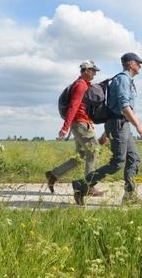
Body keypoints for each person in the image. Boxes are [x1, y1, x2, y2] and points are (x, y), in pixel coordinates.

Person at [72, 52, 142, 206]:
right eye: (138, 63)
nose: (140, 66)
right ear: (130, 64)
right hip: (119, 124)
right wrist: (138, 125)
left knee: (134, 158)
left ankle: (130, 195)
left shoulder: (126, 80)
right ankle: (81, 186)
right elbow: (123, 106)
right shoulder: (123, 80)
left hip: (121, 124)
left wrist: (107, 132)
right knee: (117, 162)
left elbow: (114, 107)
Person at [45, 60, 106, 197]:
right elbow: (73, 106)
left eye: (95, 71)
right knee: (94, 152)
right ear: (85, 70)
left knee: (80, 157)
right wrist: (65, 127)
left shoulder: (83, 84)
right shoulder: (80, 85)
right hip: (81, 124)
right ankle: (88, 186)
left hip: (81, 124)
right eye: (92, 71)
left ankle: (53, 174)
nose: (95, 73)